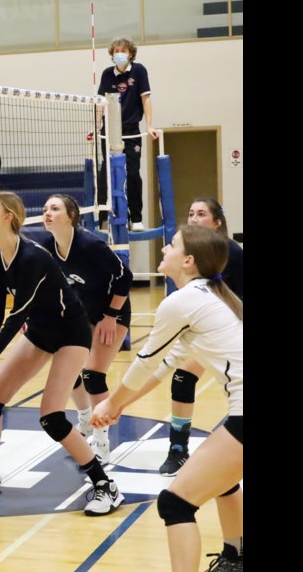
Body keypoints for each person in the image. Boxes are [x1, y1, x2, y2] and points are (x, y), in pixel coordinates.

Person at [0, 191, 123, 516]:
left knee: (52, 417)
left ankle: (105, 486)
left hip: (72, 332)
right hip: (41, 332)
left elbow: (18, 314)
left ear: (8, 217)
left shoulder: (34, 257)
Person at [92, 226, 242, 571]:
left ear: (188, 261)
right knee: (222, 478)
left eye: (171, 245)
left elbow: (144, 363)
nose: (163, 250)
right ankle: (236, 557)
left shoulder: (182, 301)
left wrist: (111, 403)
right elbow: (163, 367)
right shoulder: (212, 296)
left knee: (175, 503)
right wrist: (120, 406)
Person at [121, 198, 243, 477]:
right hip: (208, 329)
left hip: (228, 329)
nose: (194, 219)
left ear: (217, 223)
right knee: (181, 376)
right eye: (191, 213)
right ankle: (178, 449)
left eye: (202, 214)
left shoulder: (230, 253)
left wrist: (115, 404)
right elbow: (158, 362)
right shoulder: (188, 278)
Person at [34, 195, 132, 463]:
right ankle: (86, 420)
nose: (47, 213)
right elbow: (40, 285)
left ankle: (101, 443)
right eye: (45, 209)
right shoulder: (47, 248)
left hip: (112, 310)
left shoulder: (89, 244)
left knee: (93, 376)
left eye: (54, 209)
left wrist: (111, 316)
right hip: (82, 310)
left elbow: (125, 276)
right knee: (69, 366)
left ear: (71, 216)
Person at [97, 37, 158, 232]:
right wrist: (96, 124)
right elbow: (101, 102)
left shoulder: (139, 70)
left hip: (131, 130)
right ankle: (104, 217)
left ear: (130, 53)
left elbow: (146, 99)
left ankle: (136, 218)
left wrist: (149, 126)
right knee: (106, 173)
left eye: (122, 50)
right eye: (115, 51)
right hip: (110, 130)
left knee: (132, 174)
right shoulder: (107, 74)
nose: (119, 53)